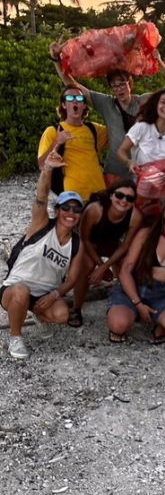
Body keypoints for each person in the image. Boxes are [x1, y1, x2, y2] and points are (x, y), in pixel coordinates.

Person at [48, 43, 165, 184]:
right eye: (114, 86)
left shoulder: (144, 100)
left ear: (130, 84)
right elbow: (73, 86)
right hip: (114, 172)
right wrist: (57, 61)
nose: (119, 89)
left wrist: (161, 63)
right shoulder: (107, 104)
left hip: (143, 171)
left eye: (122, 84)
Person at [1, 153, 84, 359]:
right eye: (65, 207)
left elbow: (72, 278)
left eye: (76, 209)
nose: (70, 212)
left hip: (43, 293)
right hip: (15, 288)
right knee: (21, 291)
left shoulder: (76, 244)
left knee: (62, 314)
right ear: (57, 210)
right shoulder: (42, 225)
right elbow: (41, 198)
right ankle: (15, 336)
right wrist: (47, 169)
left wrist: (55, 295)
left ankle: (37, 314)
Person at [106, 193, 165, 344]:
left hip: (161, 295)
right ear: (164, 211)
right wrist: (138, 303)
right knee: (118, 325)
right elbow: (125, 270)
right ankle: (130, 312)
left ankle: (159, 323)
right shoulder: (145, 234)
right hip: (133, 288)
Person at [68, 180, 143, 326]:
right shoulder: (95, 210)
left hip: (112, 243)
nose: (124, 201)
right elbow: (84, 238)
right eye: (119, 195)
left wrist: (104, 267)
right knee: (87, 267)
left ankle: (127, 302)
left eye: (130, 198)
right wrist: (100, 265)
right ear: (110, 195)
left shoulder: (135, 216)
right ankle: (76, 308)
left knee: (126, 266)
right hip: (89, 242)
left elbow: (125, 245)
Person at [37, 87, 107, 201]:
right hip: (71, 198)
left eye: (79, 98)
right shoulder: (53, 131)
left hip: (99, 193)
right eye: (70, 98)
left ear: (84, 105)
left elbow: (119, 133)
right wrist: (57, 142)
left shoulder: (94, 129)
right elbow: (41, 165)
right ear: (64, 105)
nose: (75, 101)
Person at [116, 89, 165, 171]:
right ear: (156, 105)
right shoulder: (141, 127)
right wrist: (129, 162)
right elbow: (121, 151)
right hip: (138, 181)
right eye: (163, 102)